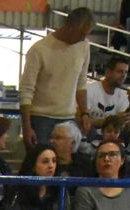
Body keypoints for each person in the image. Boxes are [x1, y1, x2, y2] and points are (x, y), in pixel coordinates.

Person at [20, 7, 94, 148]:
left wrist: (85, 113)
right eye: (82, 34)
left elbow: (81, 83)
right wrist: (27, 126)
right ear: (70, 27)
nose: (84, 38)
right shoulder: (38, 50)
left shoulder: (84, 46)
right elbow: (26, 90)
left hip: (69, 118)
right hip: (41, 118)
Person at [85, 59, 130, 140]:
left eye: (126, 72)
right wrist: (112, 119)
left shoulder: (122, 96)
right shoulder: (90, 90)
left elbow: (126, 125)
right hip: (90, 135)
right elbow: (84, 121)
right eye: (119, 71)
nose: (123, 75)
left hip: (111, 137)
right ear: (108, 72)